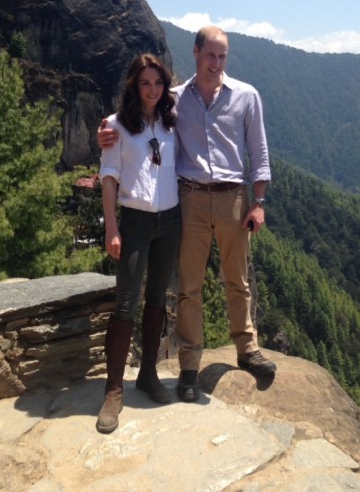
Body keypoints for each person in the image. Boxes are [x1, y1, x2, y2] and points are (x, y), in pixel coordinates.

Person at [98, 25, 276, 404]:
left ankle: (247, 350)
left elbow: (259, 152)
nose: (216, 63)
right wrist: (105, 132)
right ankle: (189, 368)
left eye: (222, 55)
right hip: (189, 199)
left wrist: (259, 203)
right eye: (210, 54)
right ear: (195, 53)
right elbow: (134, 121)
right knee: (189, 287)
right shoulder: (174, 100)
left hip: (233, 199)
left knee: (237, 279)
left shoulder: (247, 95)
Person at [96, 53, 181, 434]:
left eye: (158, 83)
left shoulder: (171, 120)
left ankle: (147, 374)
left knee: (158, 298)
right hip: (133, 220)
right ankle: (114, 389)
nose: (152, 89)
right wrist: (111, 226)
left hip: (170, 220)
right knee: (126, 301)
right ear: (134, 85)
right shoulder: (115, 127)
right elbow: (109, 175)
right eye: (145, 83)